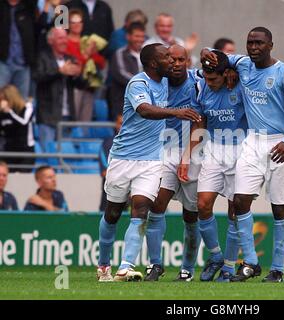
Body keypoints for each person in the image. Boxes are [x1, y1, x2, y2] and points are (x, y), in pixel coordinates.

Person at [201, 26, 284, 283]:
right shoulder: (243, 64)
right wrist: (208, 53)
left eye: (259, 43)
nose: (253, 47)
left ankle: (277, 269)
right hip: (253, 140)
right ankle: (250, 262)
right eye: (250, 42)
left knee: (279, 208)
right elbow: (215, 57)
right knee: (239, 201)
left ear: (271, 44)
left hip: (281, 143)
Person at [96, 43, 201, 282]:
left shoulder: (165, 80)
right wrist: (176, 112)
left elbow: (196, 73)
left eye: (176, 59)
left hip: (152, 159)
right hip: (124, 157)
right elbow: (144, 110)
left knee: (141, 208)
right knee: (112, 213)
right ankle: (103, 265)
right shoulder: (138, 83)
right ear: (154, 63)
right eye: (167, 58)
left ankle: (125, 267)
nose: (173, 62)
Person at [178, 50, 247, 282]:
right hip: (214, 149)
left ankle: (228, 267)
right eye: (207, 78)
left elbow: (247, 62)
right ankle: (216, 255)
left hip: (241, 150)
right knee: (203, 204)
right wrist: (187, 156)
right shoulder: (201, 88)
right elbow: (199, 125)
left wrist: (234, 67)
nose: (210, 83)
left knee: (235, 211)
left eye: (214, 79)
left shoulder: (240, 83)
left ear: (227, 74)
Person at [142, 44, 203, 282]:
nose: (176, 63)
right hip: (164, 150)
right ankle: (155, 265)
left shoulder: (198, 83)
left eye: (181, 59)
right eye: (172, 59)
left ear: (188, 61)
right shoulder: (158, 84)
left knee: (191, 215)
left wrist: (187, 157)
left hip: (194, 150)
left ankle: (187, 269)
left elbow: (201, 122)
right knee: (157, 205)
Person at [33, 27, 83, 151]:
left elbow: (81, 85)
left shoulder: (70, 59)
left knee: (65, 155)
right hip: (48, 117)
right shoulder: (42, 57)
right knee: (48, 155)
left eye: (66, 38)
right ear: (51, 41)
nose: (64, 41)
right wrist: (59, 71)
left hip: (67, 117)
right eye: (60, 38)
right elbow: (38, 77)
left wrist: (78, 75)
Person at [66, 8, 106, 122]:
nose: (77, 25)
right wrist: (87, 55)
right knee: (73, 121)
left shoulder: (87, 40)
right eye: (73, 22)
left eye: (80, 22)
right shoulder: (65, 41)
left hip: (89, 86)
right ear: (68, 24)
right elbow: (74, 66)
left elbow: (101, 63)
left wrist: (92, 54)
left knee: (85, 123)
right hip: (73, 86)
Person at [0, 0, 38, 99]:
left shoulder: (29, 8)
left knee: (21, 105)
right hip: (3, 63)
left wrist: (52, 6)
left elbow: (55, 27)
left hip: (24, 64)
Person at [108, 22, 145, 121]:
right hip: (123, 107)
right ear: (128, 36)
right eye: (136, 36)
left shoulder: (146, 54)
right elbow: (121, 74)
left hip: (144, 106)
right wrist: (146, 83)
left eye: (142, 36)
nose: (140, 39)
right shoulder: (119, 54)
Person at [0, 84, 35, 172]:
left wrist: (9, 112)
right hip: (9, 151)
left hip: (26, 151)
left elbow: (24, 122)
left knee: (23, 179)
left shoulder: (27, 107)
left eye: (4, 99)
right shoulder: (2, 113)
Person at [98, 114, 122, 212]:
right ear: (116, 124)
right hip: (109, 196)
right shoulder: (107, 144)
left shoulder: (139, 144)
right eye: (121, 123)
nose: (124, 126)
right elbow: (105, 172)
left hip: (131, 197)